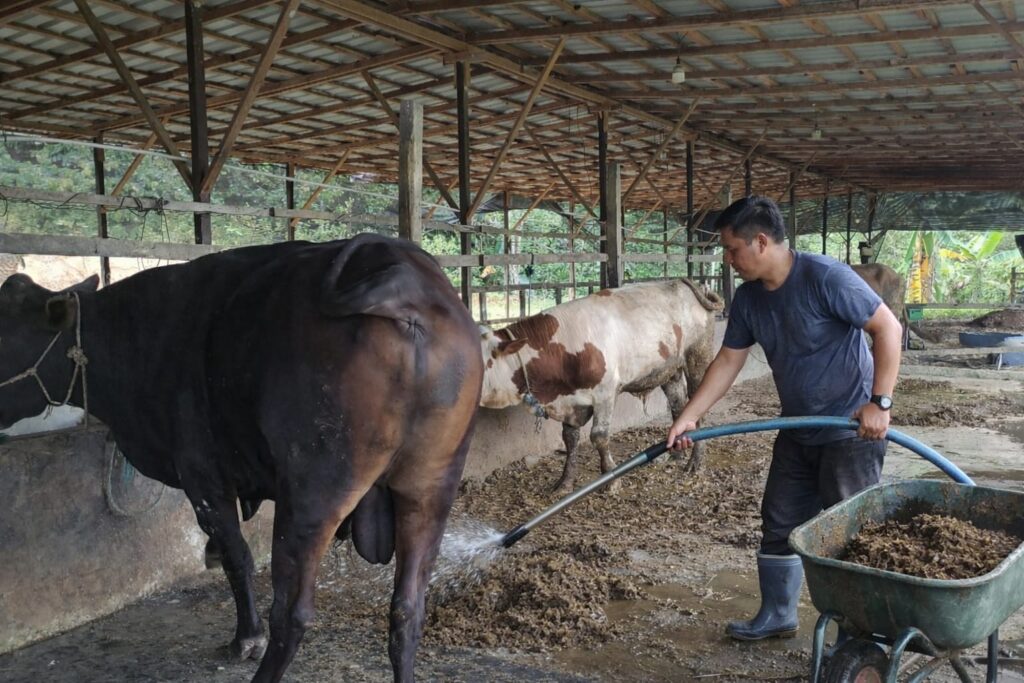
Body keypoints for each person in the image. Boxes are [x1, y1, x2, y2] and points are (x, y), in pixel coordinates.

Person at [667, 195, 902, 641]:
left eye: (733, 250)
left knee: (849, 532)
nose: (729, 260)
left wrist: (880, 403)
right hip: (796, 428)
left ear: (760, 242)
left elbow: (887, 328)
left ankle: (860, 634)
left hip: (850, 431)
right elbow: (729, 360)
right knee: (779, 523)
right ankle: (778, 614)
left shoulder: (824, 277)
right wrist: (690, 416)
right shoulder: (750, 299)